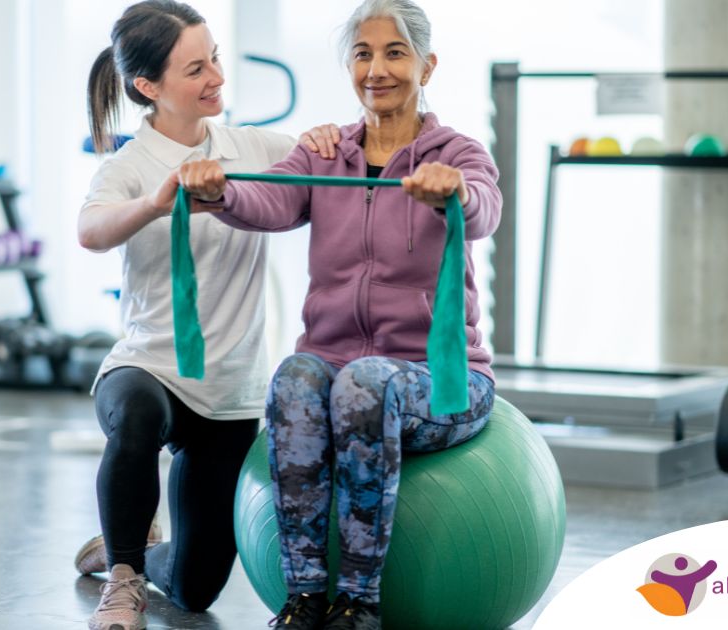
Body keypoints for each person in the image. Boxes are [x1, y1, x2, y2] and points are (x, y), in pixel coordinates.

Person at [178, 1, 500, 627]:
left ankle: (359, 603)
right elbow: (266, 197)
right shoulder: (324, 154)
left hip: (441, 382)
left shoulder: (457, 153)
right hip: (337, 371)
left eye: (395, 52)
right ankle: (303, 598)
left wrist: (453, 191)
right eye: (362, 53)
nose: (376, 68)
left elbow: (486, 208)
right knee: (298, 376)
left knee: (361, 385)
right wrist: (219, 190)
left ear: (427, 65)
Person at [76, 2, 338, 629]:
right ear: (149, 87)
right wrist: (154, 203)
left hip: (229, 391)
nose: (217, 76)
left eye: (215, 57)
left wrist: (331, 140)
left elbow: (327, 163)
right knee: (135, 416)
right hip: (150, 368)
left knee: (195, 591)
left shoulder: (252, 147)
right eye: (196, 68)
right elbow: (90, 230)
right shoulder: (128, 167)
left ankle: (126, 551)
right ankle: (123, 577)